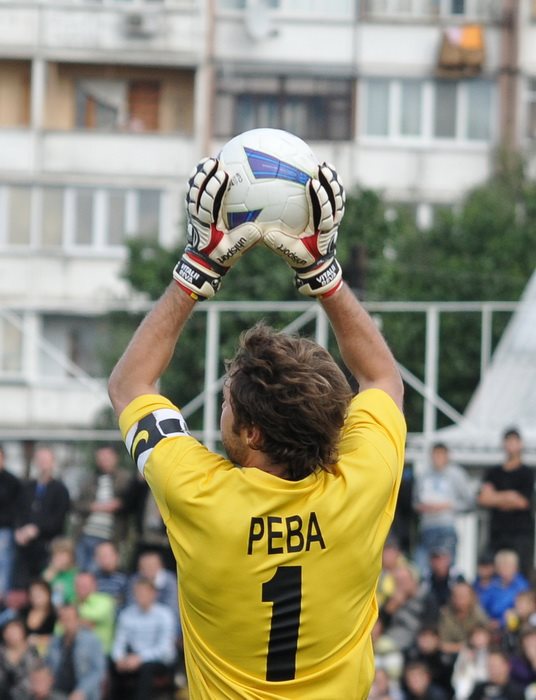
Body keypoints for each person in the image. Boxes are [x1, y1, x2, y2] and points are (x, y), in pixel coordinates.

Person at [107, 156, 405, 699]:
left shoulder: (199, 496)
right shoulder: (361, 483)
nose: (221, 410)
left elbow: (129, 384)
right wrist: (324, 274)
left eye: (226, 403)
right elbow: (382, 376)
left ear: (253, 435)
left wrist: (198, 266)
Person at [477, 428, 535, 576]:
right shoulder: (493, 472)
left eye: (514, 442)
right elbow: (483, 499)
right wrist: (510, 496)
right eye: (508, 441)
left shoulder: (527, 473)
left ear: (521, 444)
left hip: (520, 533)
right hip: (497, 533)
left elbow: (522, 502)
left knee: (520, 574)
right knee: (492, 573)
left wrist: (495, 497)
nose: (511, 445)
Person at [12, 447, 70, 591]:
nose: (43, 464)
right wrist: (19, 530)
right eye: (40, 460)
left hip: (47, 547)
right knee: (22, 585)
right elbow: (18, 511)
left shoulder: (60, 489)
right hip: (26, 548)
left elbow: (58, 519)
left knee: (43, 585)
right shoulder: (27, 487)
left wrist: (36, 529)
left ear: (53, 462)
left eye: (46, 460)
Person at [111, 577, 176, 700]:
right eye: (138, 593)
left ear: (154, 594)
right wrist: (119, 659)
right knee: (113, 665)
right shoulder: (127, 614)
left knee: (146, 668)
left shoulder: (165, 615)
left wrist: (140, 658)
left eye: (144, 593)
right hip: (133, 658)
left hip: (159, 661)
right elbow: (119, 642)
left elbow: (164, 649)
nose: (140, 596)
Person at [413, 443, 475, 573]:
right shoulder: (424, 475)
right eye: (435, 455)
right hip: (427, 527)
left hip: (446, 526)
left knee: (446, 568)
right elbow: (415, 503)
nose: (438, 458)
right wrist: (424, 507)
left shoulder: (456, 474)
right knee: (423, 568)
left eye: (441, 455)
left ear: (447, 456)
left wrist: (448, 506)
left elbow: (469, 501)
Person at [73, 444, 130, 573]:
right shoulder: (89, 479)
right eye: (100, 458)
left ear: (116, 458)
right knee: (82, 572)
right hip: (86, 533)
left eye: (107, 457)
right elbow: (76, 504)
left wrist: (118, 504)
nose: (103, 461)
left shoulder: (125, 479)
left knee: (99, 573)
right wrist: (92, 506)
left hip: (110, 536)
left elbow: (130, 502)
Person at [46, 604, 105, 700]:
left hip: (84, 694)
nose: (66, 623)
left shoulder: (91, 641)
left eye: (69, 619)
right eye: (63, 619)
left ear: (78, 619)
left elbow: (98, 671)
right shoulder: (55, 642)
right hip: (59, 692)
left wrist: (81, 690)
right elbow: (48, 666)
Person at [74, 571, 115, 654]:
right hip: (76, 652)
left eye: (85, 585)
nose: (81, 587)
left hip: (100, 653)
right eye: (78, 585)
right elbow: (59, 629)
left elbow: (97, 615)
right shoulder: (72, 602)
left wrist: (73, 619)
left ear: (94, 585)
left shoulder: (105, 600)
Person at [0, 444, 21, 600]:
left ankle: (2, 596)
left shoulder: (11, 481)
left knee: (4, 563)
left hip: (4, 529)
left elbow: (16, 509)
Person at [0, 618, 40, 699]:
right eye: (8, 632)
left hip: (30, 694)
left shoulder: (32, 650)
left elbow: (38, 672)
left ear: (22, 632)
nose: (12, 635)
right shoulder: (1, 653)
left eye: (15, 631)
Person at [20, 579, 57, 655]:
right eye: (33, 593)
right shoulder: (23, 612)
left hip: (49, 653)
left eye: (40, 592)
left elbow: (60, 638)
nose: (36, 595)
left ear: (48, 593)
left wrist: (38, 640)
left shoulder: (55, 615)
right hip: (24, 653)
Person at [42, 538, 78, 608]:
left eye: (62, 554)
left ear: (71, 556)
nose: (58, 558)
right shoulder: (49, 572)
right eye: (55, 554)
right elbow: (39, 591)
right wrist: (53, 571)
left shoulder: (76, 574)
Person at [93, 541, 128, 608]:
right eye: (100, 556)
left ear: (116, 556)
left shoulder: (126, 578)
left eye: (107, 555)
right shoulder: (92, 578)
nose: (104, 559)